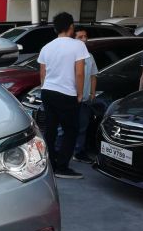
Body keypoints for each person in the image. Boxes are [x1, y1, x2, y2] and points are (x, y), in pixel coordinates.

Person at [38, 12, 87, 179]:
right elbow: (80, 73)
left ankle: (50, 163)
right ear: (71, 26)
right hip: (66, 93)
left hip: (47, 91)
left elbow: (43, 74)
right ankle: (63, 167)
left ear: (55, 28)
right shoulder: (78, 46)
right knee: (71, 130)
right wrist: (80, 93)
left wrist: (45, 88)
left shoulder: (46, 47)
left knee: (50, 129)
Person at [72, 27, 98, 164]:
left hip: (85, 99)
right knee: (66, 127)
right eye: (80, 37)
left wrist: (92, 93)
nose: (84, 39)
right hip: (71, 98)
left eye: (85, 36)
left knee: (82, 126)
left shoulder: (89, 56)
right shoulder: (70, 55)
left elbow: (93, 75)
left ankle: (78, 151)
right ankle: (59, 153)